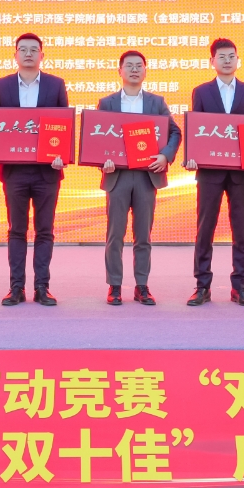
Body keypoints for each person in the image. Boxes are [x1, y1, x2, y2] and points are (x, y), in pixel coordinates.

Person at [0, 33, 69, 307]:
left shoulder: (56, 84)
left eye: (34, 50)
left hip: (47, 172)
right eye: (23, 49)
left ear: (42, 55)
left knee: (45, 230)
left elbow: (63, 124)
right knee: (17, 230)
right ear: (15, 55)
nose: (29, 54)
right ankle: (16, 287)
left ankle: (42, 287)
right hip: (15, 172)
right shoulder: (2, 85)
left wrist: (63, 155)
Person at [185, 38, 244, 307]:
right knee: (205, 229)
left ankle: (240, 286)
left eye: (231, 56)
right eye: (221, 57)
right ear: (212, 61)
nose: (227, 60)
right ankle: (202, 286)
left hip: (241, 174)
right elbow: (197, 128)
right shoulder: (201, 91)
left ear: (237, 60)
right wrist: (191, 157)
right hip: (209, 173)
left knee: (241, 230)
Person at [98, 50, 181, 306]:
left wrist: (165, 156)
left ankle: (142, 286)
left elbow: (175, 132)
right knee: (115, 234)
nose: (134, 70)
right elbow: (97, 137)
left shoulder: (157, 102)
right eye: (129, 66)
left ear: (145, 71)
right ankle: (114, 286)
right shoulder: (107, 103)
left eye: (139, 66)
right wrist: (103, 160)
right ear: (119, 71)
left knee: (143, 235)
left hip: (147, 176)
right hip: (118, 176)